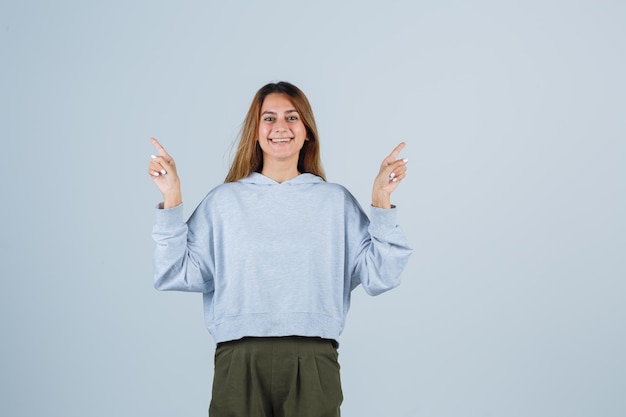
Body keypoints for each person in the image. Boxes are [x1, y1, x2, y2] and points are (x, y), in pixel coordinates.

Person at [147, 81, 412, 417]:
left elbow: (381, 275)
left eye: (292, 117)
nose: (281, 127)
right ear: (255, 132)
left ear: (307, 132)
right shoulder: (224, 201)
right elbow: (174, 272)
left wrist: (380, 202)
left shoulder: (335, 202)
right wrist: (172, 198)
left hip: (314, 359)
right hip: (238, 360)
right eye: (269, 118)